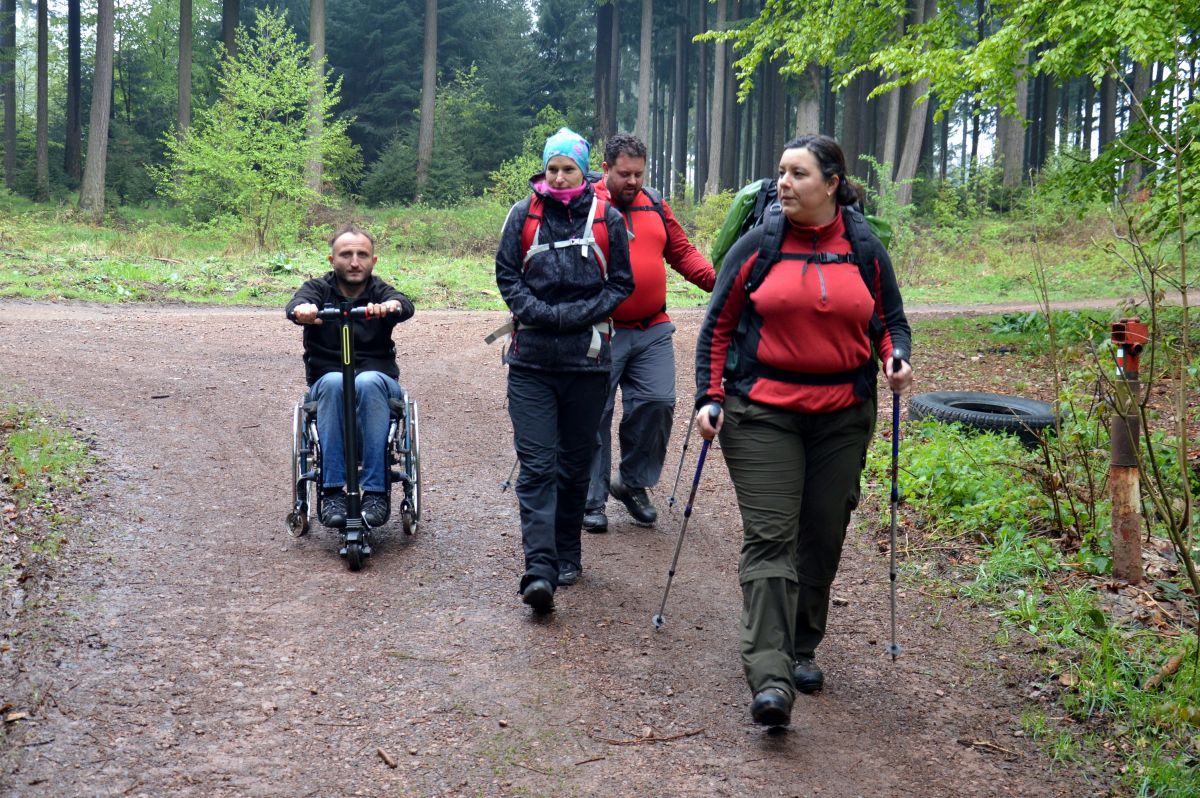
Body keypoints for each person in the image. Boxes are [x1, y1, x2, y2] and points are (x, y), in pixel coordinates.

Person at [693, 134, 912, 727]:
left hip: (843, 413)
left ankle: (801, 645)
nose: (784, 184)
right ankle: (770, 676)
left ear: (832, 183)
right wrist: (709, 396)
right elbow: (717, 327)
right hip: (761, 410)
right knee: (771, 535)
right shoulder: (756, 245)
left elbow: (890, 319)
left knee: (822, 530)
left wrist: (895, 357)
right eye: (781, 173)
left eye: (799, 174)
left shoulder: (863, 246)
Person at [494, 127, 634, 614]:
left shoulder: (608, 219)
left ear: (583, 171)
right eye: (552, 168)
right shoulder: (522, 215)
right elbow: (507, 276)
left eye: (567, 169)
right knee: (536, 466)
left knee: (575, 466)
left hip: (587, 363)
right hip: (530, 362)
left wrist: (570, 317)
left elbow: (621, 284)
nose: (557, 177)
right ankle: (540, 568)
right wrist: (541, 313)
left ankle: (568, 552)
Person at [582, 134, 715, 533]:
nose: (633, 181)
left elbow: (682, 253)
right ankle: (591, 498)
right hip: (599, 331)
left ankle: (633, 483)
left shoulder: (654, 203)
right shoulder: (585, 206)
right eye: (625, 174)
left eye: (639, 173)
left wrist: (720, 283)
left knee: (658, 402)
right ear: (606, 170)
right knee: (594, 414)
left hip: (652, 327)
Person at [286, 223, 415, 529]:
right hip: (328, 383)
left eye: (362, 255)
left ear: (373, 261)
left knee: (366, 380)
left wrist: (390, 307)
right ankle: (331, 492)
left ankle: (375, 492)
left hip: (377, 384)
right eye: (346, 254)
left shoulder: (379, 290)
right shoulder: (319, 288)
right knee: (332, 381)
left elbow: (404, 304)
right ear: (332, 260)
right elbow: (294, 305)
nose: (354, 262)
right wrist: (303, 310)